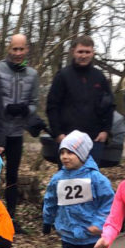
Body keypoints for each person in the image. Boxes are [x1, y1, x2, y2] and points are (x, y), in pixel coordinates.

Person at [41, 130, 115, 248]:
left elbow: (109, 202)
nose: (65, 157)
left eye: (70, 152)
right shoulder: (58, 178)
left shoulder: (96, 178)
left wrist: (99, 224)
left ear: (83, 154)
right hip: (69, 233)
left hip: (91, 236)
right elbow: (50, 199)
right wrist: (47, 220)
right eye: (62, 152)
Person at [46, 35, 115, 164]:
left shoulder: (99, 77)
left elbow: (109, 106)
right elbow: (52, 106)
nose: (83, 55)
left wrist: (105, 130)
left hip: (94, 139)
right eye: (80, 52)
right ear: (73, 52)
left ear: (93, 53)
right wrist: (58, 134)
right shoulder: (63, 76)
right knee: (67, 179)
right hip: (67, 140)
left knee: (91, 180)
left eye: (87, 52)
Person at [0, 33, 40, 231]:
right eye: (14, 49)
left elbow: (34, 103)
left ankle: (11, 218)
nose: (18, 53)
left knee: (12, 176)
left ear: (27, 49)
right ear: (9, 48)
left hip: (16, 134)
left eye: (21, 49)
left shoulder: (32, 74)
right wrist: (7, 107)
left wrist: (25, 110)